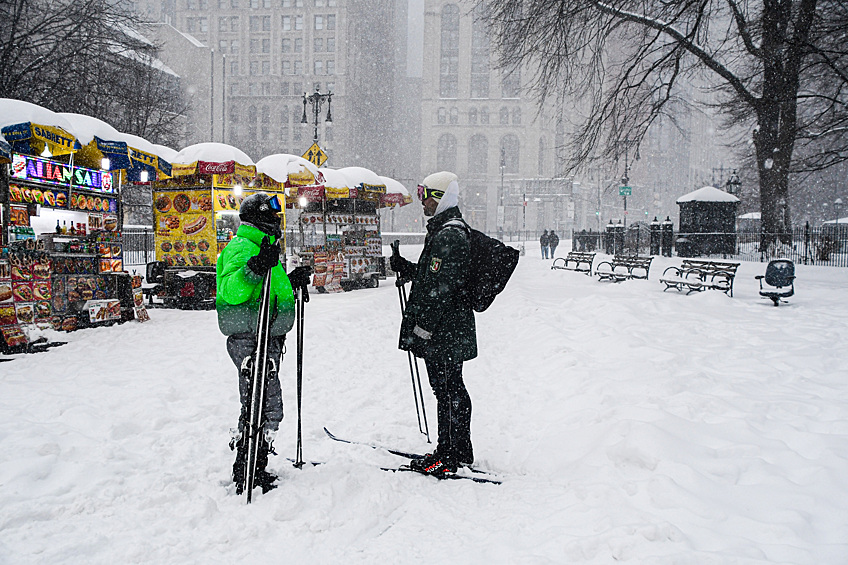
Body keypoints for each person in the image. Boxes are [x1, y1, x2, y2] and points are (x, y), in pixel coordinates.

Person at [216, 192, 312, 494]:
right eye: (273, 218)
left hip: (265, 336)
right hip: (249, 338)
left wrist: (292, 281)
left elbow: (270, 290)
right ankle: (248, 470)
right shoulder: (242, 247)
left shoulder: (263, 247)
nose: (277, 223)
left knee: (261, 402)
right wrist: (254, 268)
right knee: (264, 403)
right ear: (261, 220)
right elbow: (231, 290)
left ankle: (254, 466)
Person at [390, 171, 476, 477]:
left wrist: (422, 327)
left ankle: (448, 453)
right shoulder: (444, 230)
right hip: (449, 327)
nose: (422, 201)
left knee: (447, 390)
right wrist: (410, 269)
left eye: (425, 194)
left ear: (439, 198)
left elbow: (442, 289)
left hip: (445, 330)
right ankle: (459, 449)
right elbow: (435, 276)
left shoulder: (449, 234)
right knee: (450, 388)